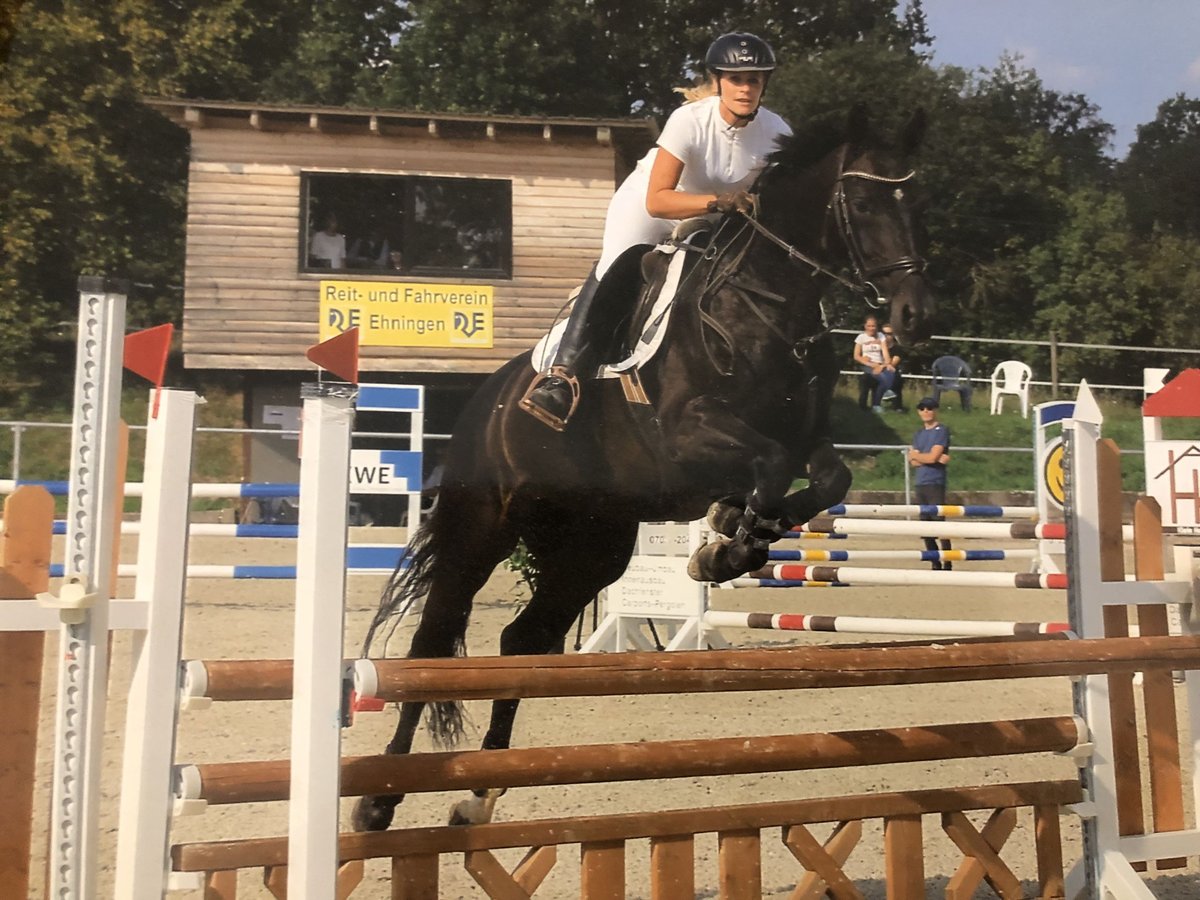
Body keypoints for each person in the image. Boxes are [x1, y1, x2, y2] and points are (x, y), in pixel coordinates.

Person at [521, 32, 792, 431]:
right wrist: (718, 201)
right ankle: (562, 375)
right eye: (737, 79)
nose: (746, 88)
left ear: (764, 83)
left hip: (719, 218)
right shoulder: (689, 121)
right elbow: (659, 200)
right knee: (616, 266)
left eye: (754, 79)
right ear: (718, 81)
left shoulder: (779, 132)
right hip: (656, 206)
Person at [909, 397, 953, 570]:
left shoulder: (941, 430)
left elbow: (930, 456)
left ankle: (948, 560)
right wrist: (926, 458)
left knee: (939, 522)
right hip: (920, 482)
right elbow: (914, 461)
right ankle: (934, 562)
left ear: (935, 410)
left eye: (929, 408)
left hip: (935, 482)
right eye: (922, 408)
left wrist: (920, 457)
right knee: (925, 525)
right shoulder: (918, 434)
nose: (926, 411)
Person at [852, 315, 898, 413]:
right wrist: (871, 364)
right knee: (881, 376)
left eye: (874, 326)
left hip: (880, 363)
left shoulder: (881, 336)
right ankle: (886, 392)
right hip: (867, 364)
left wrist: (886, 364)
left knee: (891, 371)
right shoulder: (861, 337)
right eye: (869, 326)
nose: (872, 328)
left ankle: (877, 404)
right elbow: (856, 356)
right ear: (865, 326)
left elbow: (885, 353)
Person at [880, 323, 906, 411]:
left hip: (891, 372)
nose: (886, 336)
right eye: (884, 333)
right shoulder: (876, 347)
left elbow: (892, 364)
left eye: (889, 333)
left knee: (894, 376)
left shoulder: (898, 348)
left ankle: (898, 407)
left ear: (893, 335)